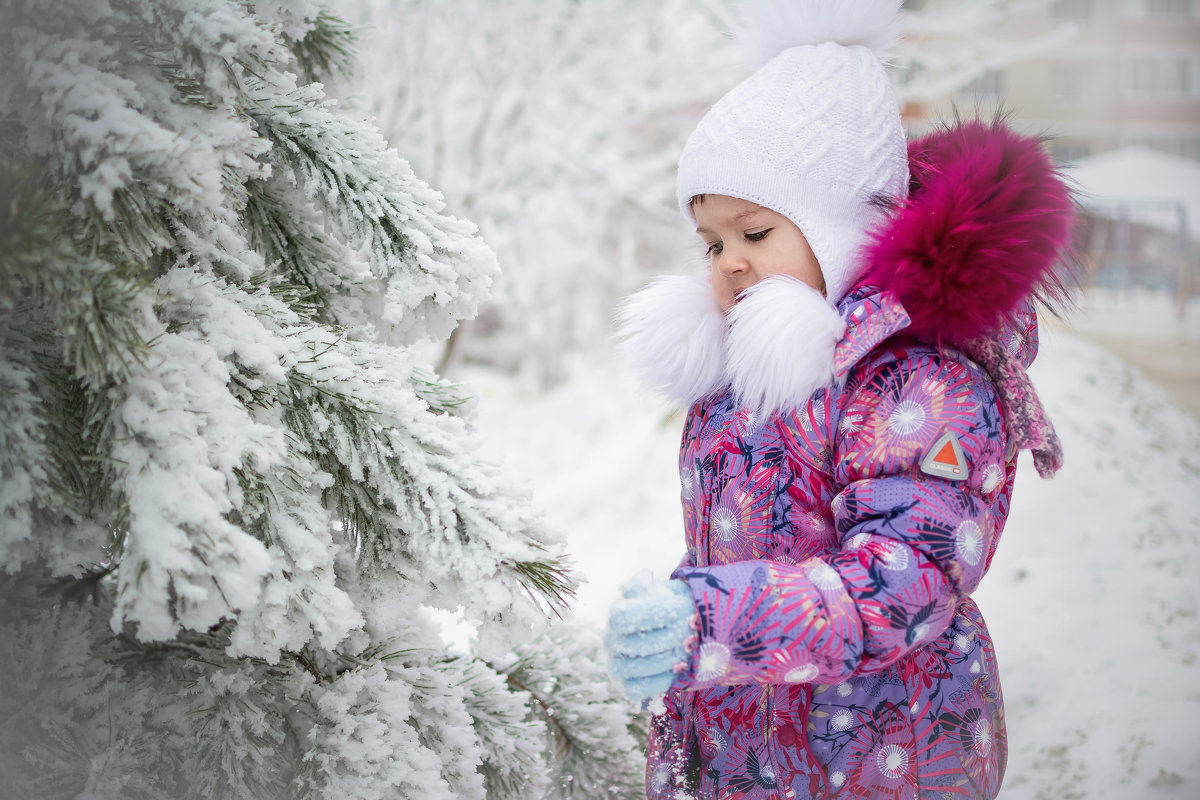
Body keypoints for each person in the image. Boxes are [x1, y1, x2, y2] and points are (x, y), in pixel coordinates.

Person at [604, 1, 1075, 798]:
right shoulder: (749, 380)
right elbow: (746, 548)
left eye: (755, 234)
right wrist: (681, 615)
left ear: (839, 230)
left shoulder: (918, 381)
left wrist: (713, 619)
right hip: (754, 747)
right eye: (712, 242)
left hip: (880, 755)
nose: (729, 263)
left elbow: (906, 577)